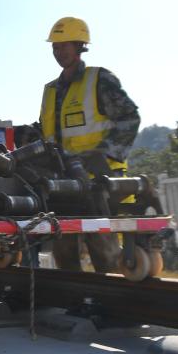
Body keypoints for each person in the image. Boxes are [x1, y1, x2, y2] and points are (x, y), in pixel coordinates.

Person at [38, 16, 140, 272]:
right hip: (63, 185)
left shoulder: (99, 79)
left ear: (80, 45)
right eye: (55, 46)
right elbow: (45, 133)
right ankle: (73, 296)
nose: (58, 51)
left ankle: (112, 296)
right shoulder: (50, 90)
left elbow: (129, 118)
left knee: (105, 255)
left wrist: (104, 155)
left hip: (98, 183)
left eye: (64, 45)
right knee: (64, 254)